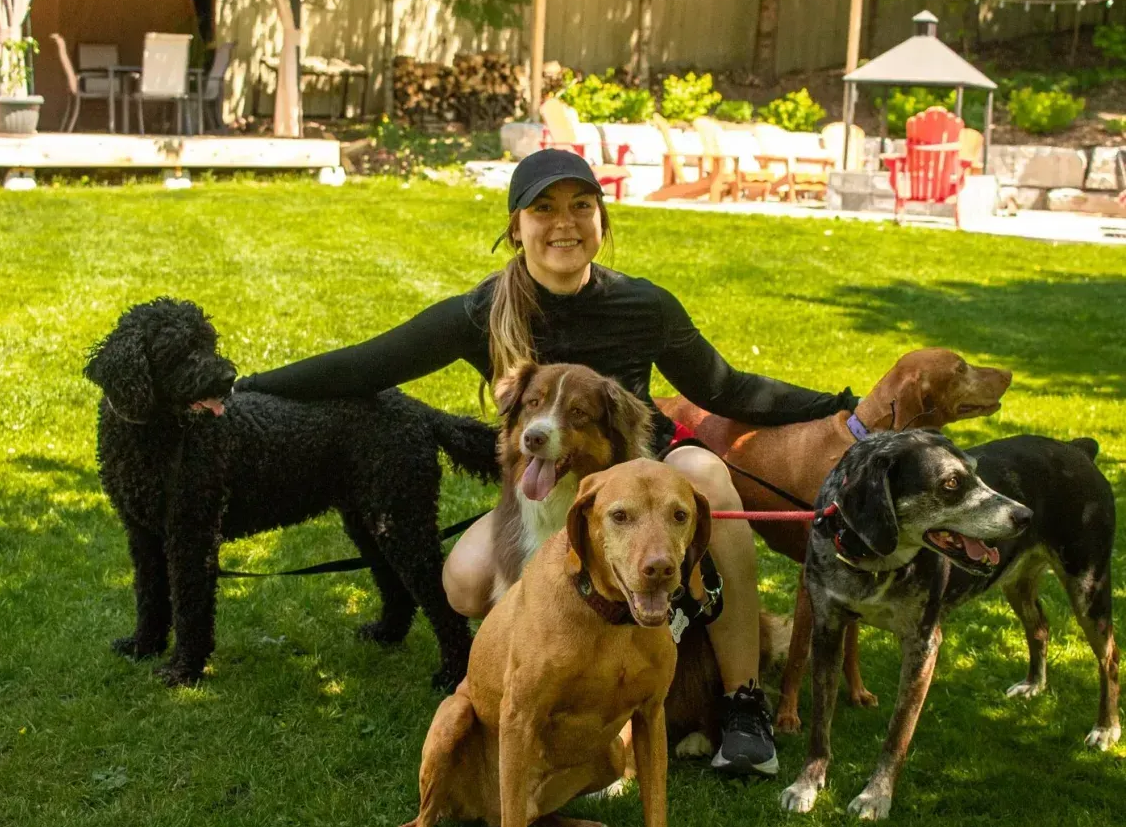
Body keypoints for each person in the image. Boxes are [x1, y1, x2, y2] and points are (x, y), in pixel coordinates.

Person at [234, 148, 858, 777]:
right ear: (516, 226)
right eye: (544, 208)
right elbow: (370, 364)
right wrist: (250, 387)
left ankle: (742, 701)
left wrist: (839, 408)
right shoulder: (483, 313)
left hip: (639, 470)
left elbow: (726, 388)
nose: (564, 223)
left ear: (601, 220)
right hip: (545, 489)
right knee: (465, 582)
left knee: (706, 476)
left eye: (580, 207)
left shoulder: (643, 305)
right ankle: (548, 686)